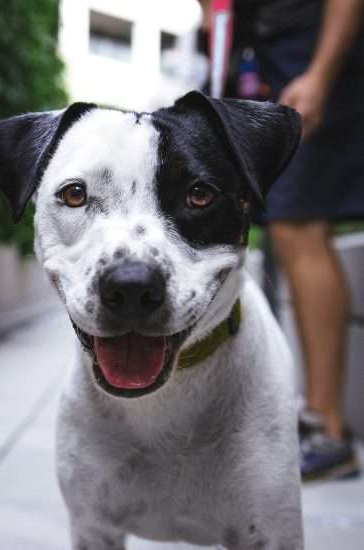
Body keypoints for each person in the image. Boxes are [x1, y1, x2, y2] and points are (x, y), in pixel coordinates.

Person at [203, 0, 364, 481]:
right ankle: (303, 420)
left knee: (299, 224)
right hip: (266, 59)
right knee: (276, 224)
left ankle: (328, 431)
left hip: (314, 59)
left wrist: (319, 74)